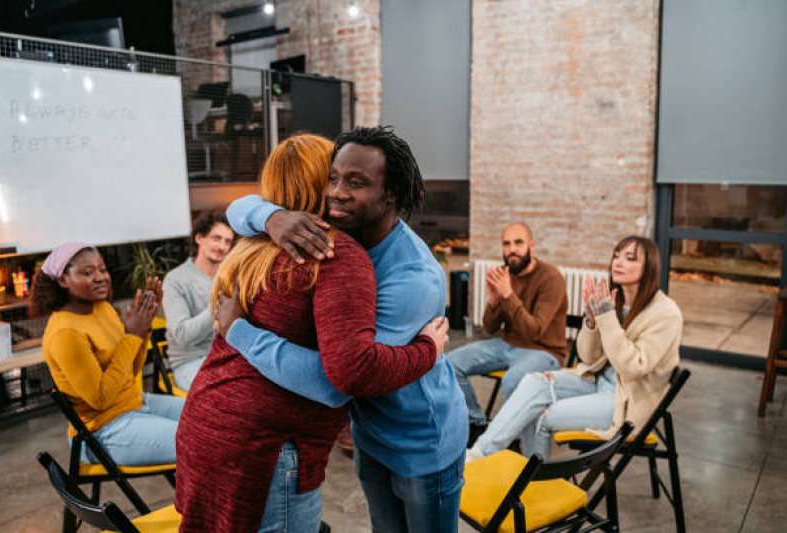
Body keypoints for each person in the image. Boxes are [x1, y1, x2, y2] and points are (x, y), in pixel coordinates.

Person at [174, 134, 450, 533]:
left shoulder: (253, 246)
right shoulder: (331, 253)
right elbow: (344, 378)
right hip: (265, 445)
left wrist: (268, 218)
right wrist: (427, 349)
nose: (338, 191)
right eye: (333, 177)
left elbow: (240, 210)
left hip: (207, 423)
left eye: (353, 181)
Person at [467, 236, 682, 462]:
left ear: (649, 267)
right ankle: (479, 453)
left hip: (625, 403)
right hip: (599, 382)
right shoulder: (616, 301)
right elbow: (588, 357)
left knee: (537, 414)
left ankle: (536, 483)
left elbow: (633, 368)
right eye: (616, 256)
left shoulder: (665, 313)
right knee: (534, 382)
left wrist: (607, 318)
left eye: (629, 259)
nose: (618, 263)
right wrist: (591, 322)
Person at [32, 243, 184, 465]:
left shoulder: (103, 309)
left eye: (102, 269)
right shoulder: (65, 332)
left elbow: (129, 372)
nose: (100, 277)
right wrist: (132, 336)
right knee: (205, 439)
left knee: (214, 415)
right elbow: (100, 399)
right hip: (101, 431)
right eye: (87, 272)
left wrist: (142, 329)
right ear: (63, 281)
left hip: (135, 404)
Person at [447, 222, 567, 442]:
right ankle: (477, 425)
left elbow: (535, 332)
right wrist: (494, 301)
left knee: (512, 380)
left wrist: (508, 296)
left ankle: (509, 441)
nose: (512, 249)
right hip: (507, 345)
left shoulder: (551, 277)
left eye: (518, 243)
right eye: (506, 244)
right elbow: (490, 328)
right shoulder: (506, 275)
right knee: (448, 365)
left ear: (532, 245)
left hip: (545, 351)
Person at [162, 210, 234, 390]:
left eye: (227, 241)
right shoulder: (175, 280)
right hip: (190, 363)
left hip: (228, 357)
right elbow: (183, 335)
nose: (222, 246)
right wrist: (219, 304)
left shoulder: (228, 276)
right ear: (199, 238)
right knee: (228, 395)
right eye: (216, 238)